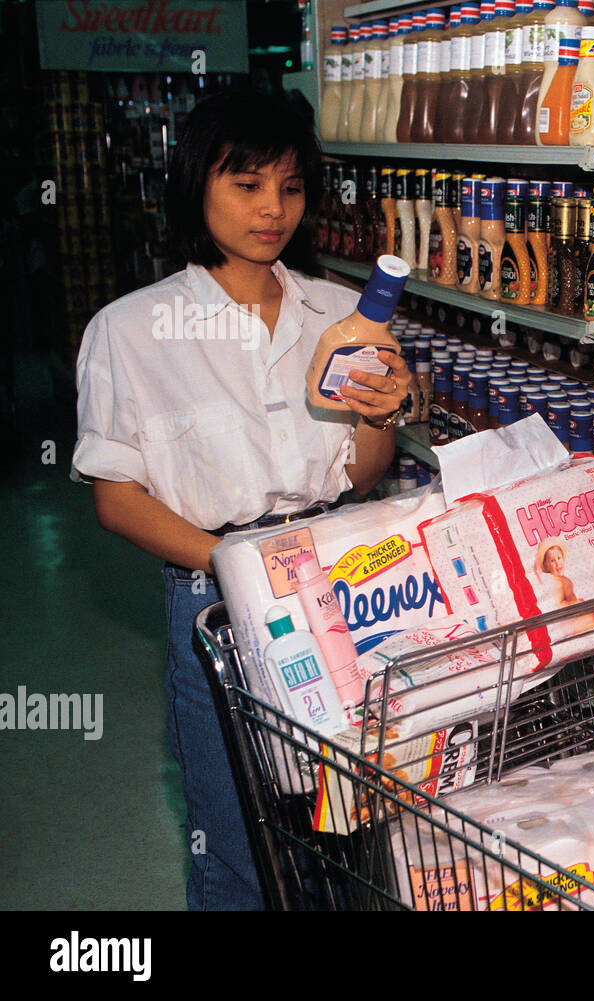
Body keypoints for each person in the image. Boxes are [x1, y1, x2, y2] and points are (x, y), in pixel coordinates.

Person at [71, 88, 411, 910]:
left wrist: (382, 413)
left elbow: (362, 474)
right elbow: (117, 497)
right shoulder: (131, 329)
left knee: (338, 830)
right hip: (212, 595)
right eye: (247, 184)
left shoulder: (338, 312)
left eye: (290, 188)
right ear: (199, 186)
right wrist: (240, 566)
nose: (273, 210)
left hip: (335, 583)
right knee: (236, 840)